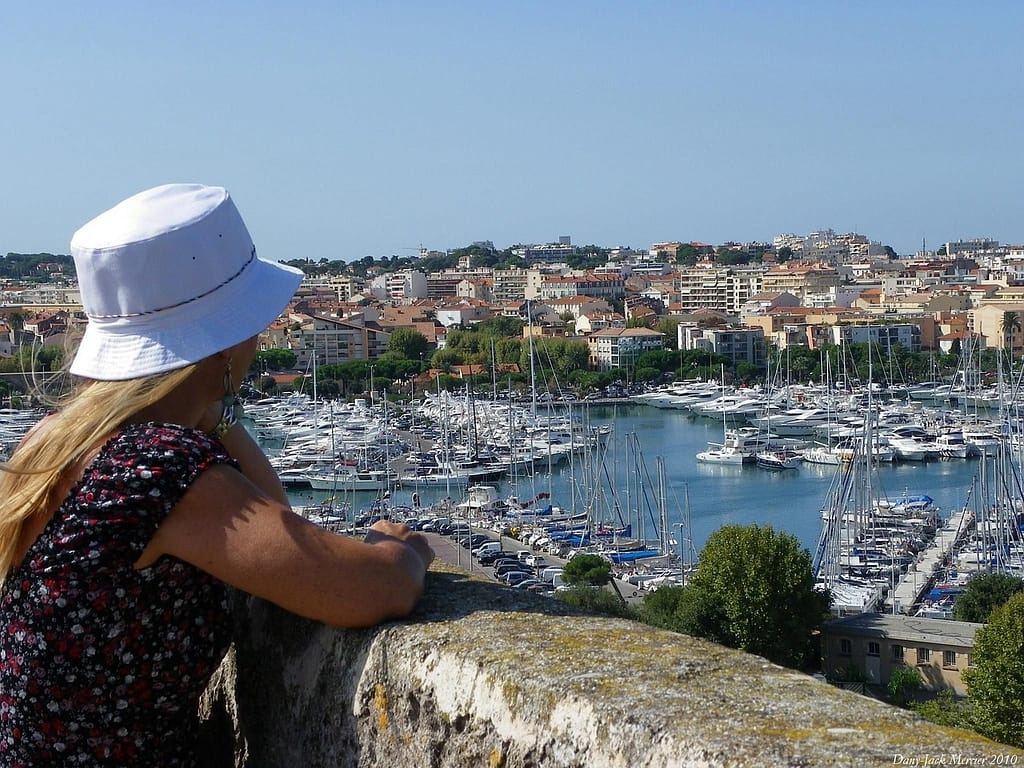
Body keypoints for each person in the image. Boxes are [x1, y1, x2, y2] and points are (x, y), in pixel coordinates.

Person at [0, 184, 434, 766]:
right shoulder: (155, 469)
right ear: (229, 341)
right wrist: (398, 549)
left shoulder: (53, 438)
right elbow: (370, 590)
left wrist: (211, 405)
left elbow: (274, 518)